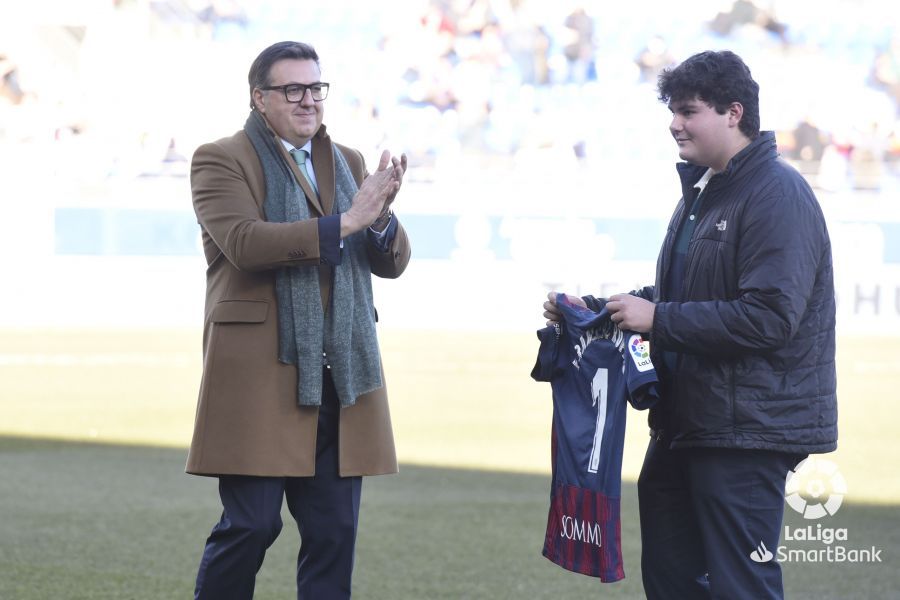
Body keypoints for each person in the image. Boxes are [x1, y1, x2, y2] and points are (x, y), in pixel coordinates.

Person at [543, 50, 836, 599]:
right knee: (674, 581)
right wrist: (598, 308)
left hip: (746, 431)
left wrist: (658, 317)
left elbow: (770, 317)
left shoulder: (777, 193)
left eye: (688, 110)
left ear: (733, 112)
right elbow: (683, 298)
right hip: (688, 424)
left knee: (738, 585)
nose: (674, 123)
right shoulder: (705, 191)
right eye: (672, 111)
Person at [186, 41, 411, 599]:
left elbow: (393, 260)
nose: (308, 100)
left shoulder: (350, 161)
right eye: (293, 89)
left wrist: (377, 219)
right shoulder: (220, 157)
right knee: (252, 525)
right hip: (263, 375)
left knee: (335, 532)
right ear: (260, 99)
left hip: (340, 374)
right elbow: (244, 244)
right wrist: (348, 221)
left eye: (316, 88)